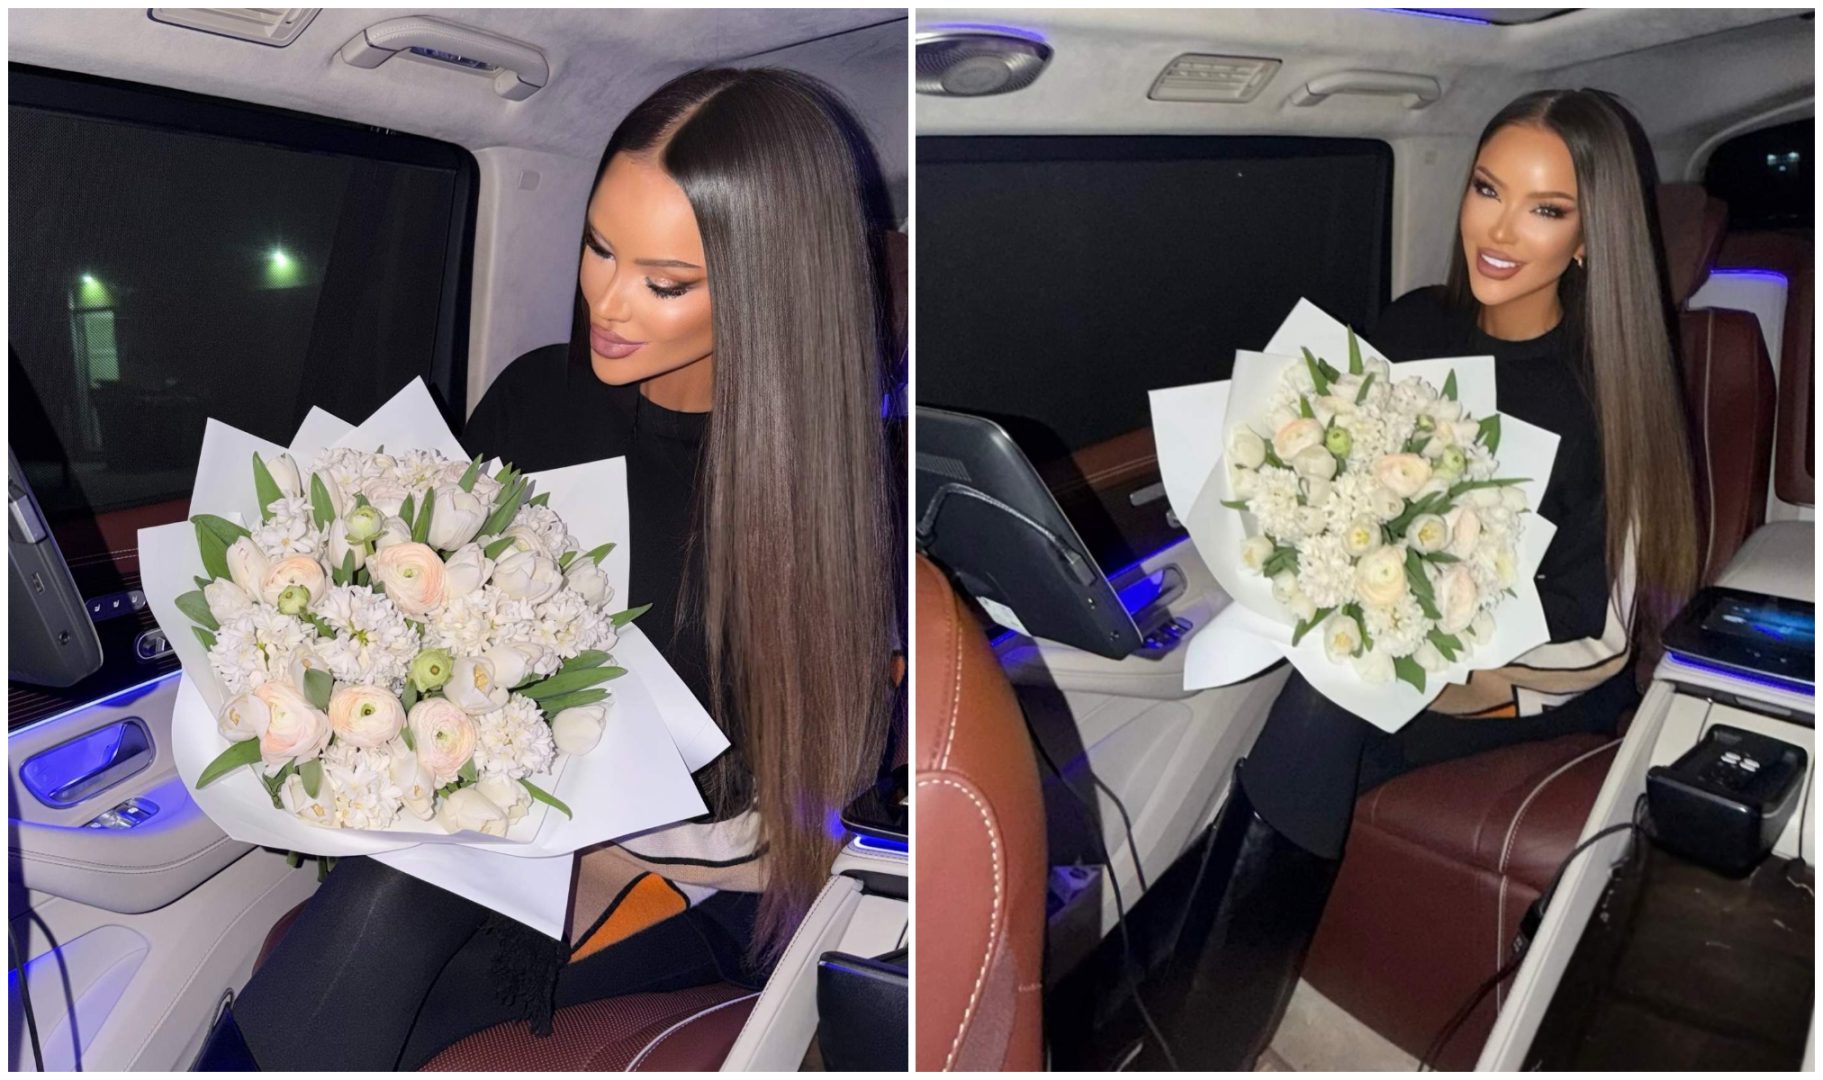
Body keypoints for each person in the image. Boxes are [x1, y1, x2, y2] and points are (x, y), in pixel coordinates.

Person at [195, 67, 898, 1071]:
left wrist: (585, 841)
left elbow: (817, 798)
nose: (606, 302)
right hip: (499, 824)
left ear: (766, 289)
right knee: (374, 911)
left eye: (664, 283)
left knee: (376, 946)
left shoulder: (836, 494)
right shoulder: (537, 396)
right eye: (598, 247)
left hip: (710, 875)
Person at [1144, 88, 1701, 1070]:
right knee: (1249, 713)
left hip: (1536, 675)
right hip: (1387, 639)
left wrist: (1452, 672)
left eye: (1544, 208)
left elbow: (1602, 630)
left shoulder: (1605, 386)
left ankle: (1190, 1041)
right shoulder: (1411, 324)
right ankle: (1152, 997)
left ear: (1588, 237)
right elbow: (1337, 476)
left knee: (1318, 714)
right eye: (1487, 189)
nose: (1499, 230)